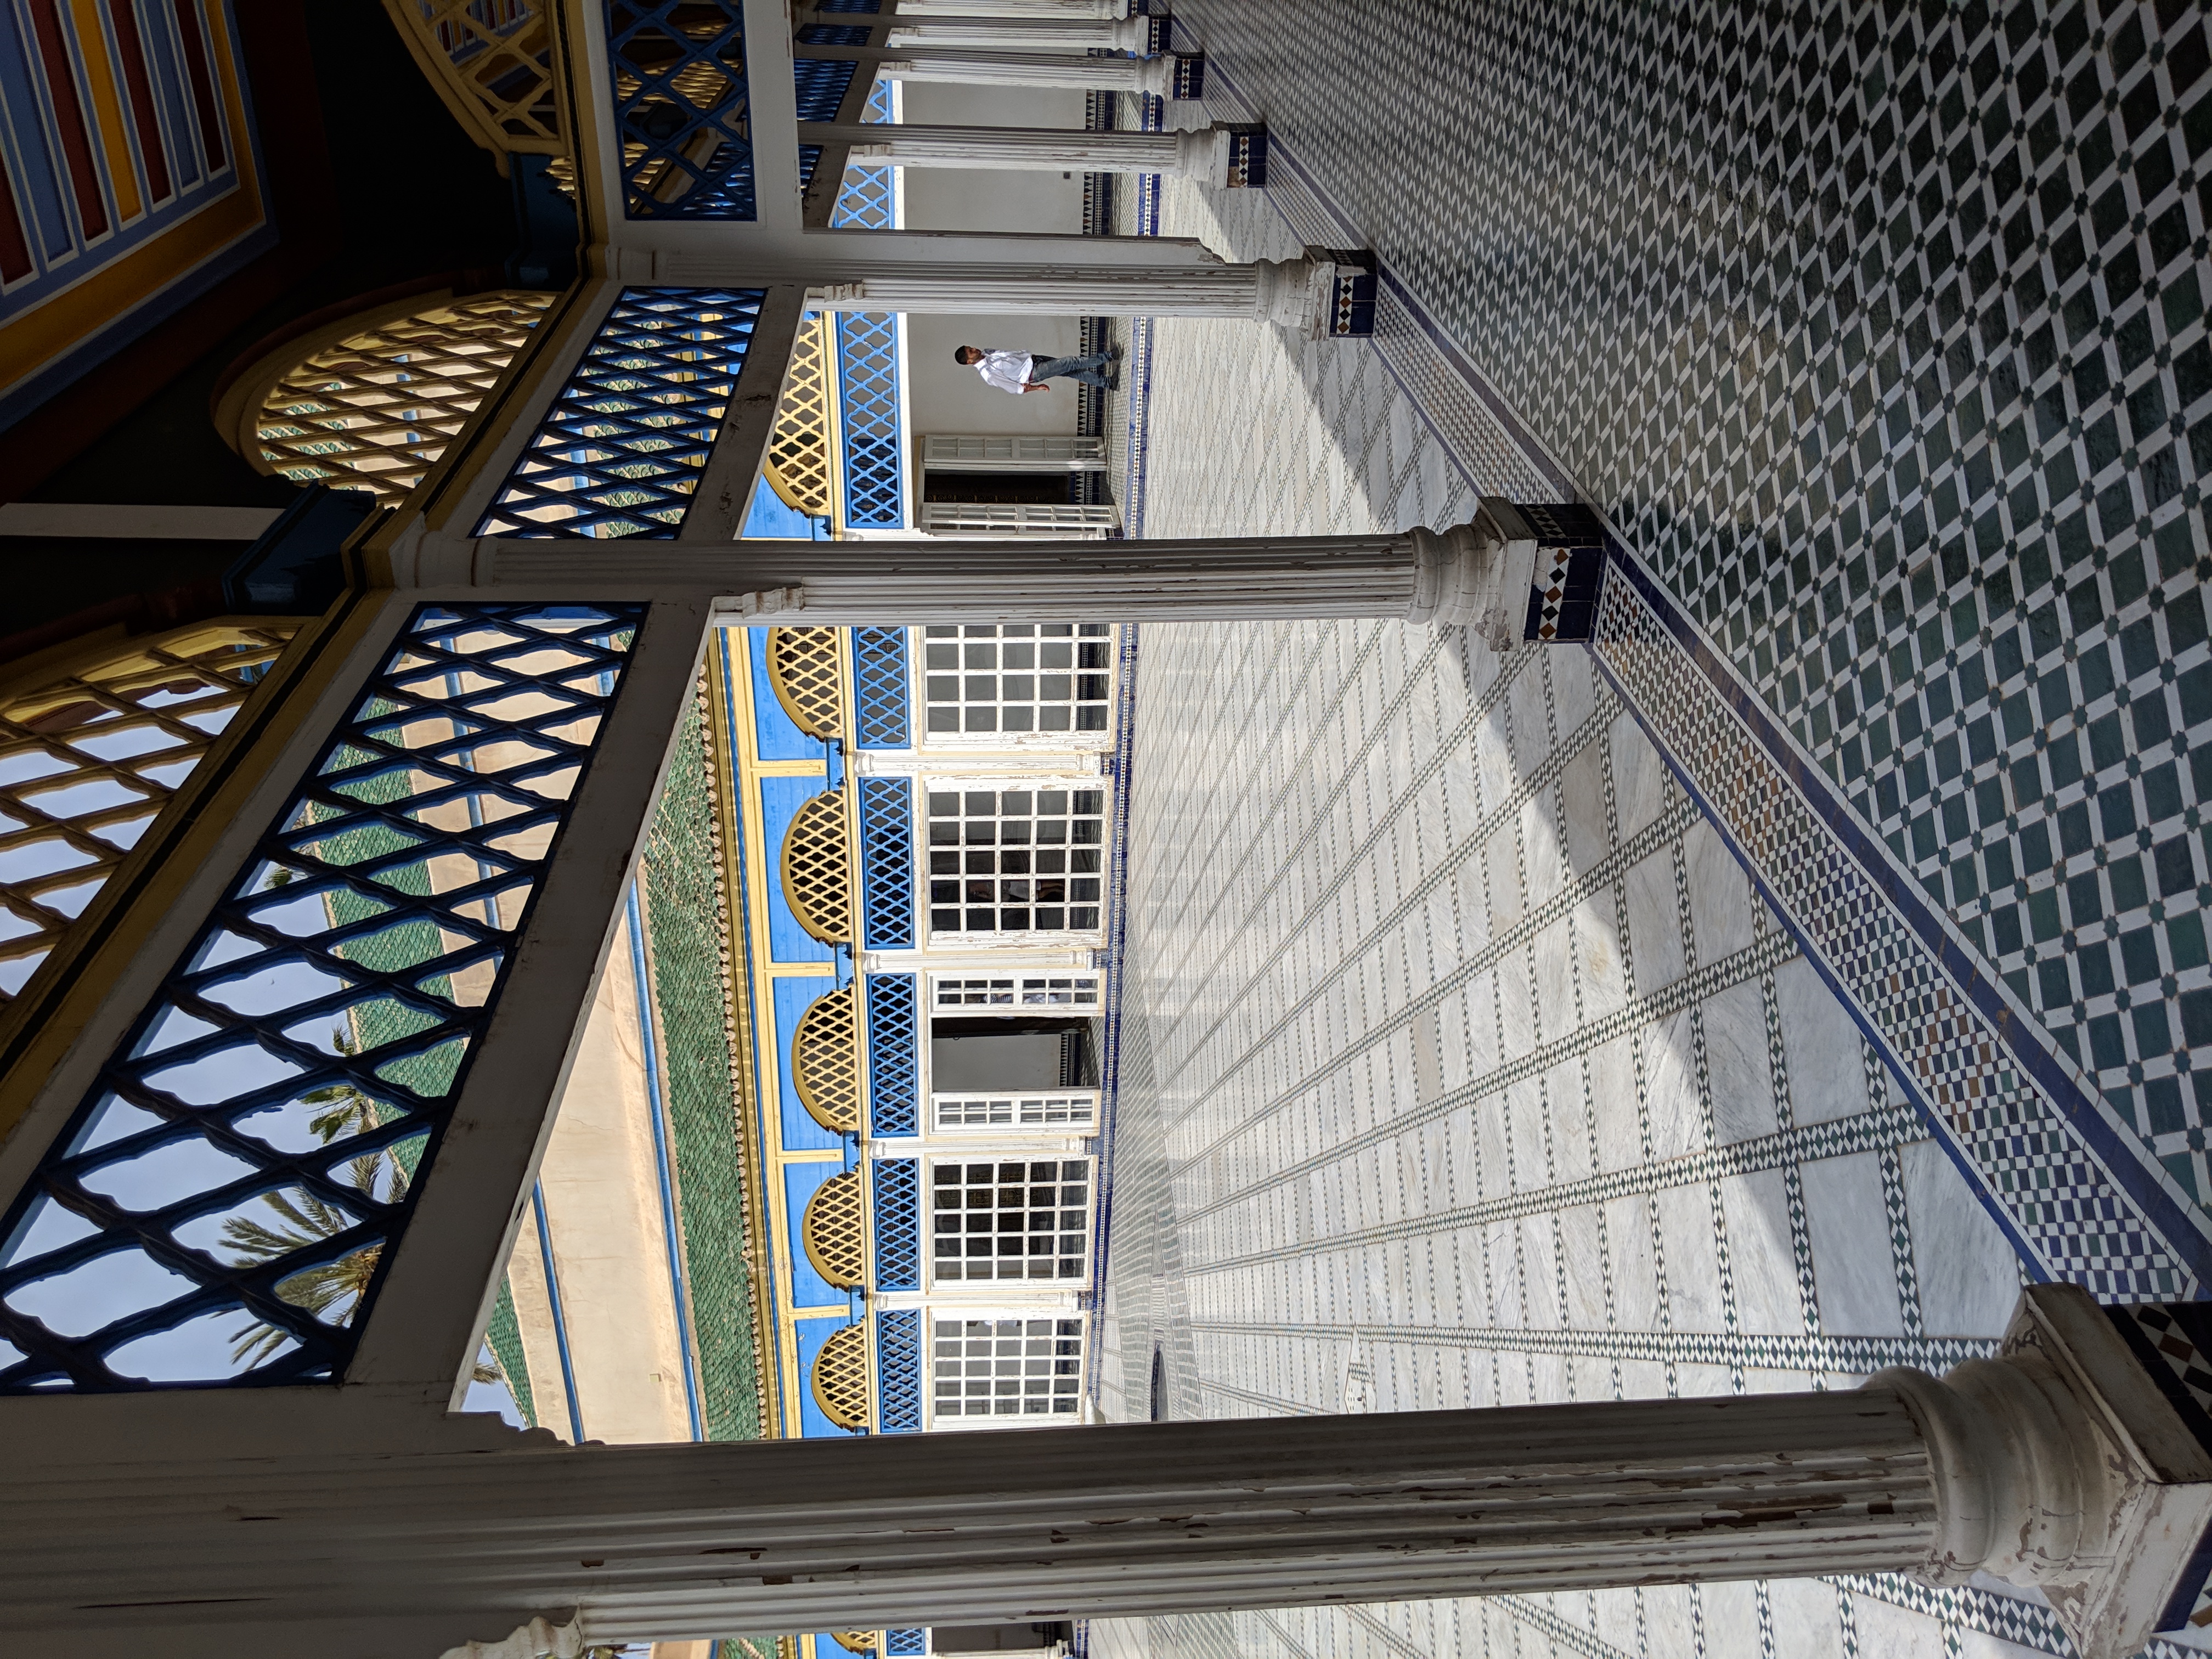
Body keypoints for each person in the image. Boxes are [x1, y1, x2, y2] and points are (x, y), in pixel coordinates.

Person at [955, 343, 1120, 394]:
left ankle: (1108, 383)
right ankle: (1108, 357)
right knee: (1071, 362)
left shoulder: (987, 353)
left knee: (1072, 371)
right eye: (971, 352)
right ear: (969, 362)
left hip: (1033, 360)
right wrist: (1037, 388)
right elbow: (1015, 388)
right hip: (1034, 372)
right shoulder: (988, 374)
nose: (975, 350)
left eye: (971, 347)